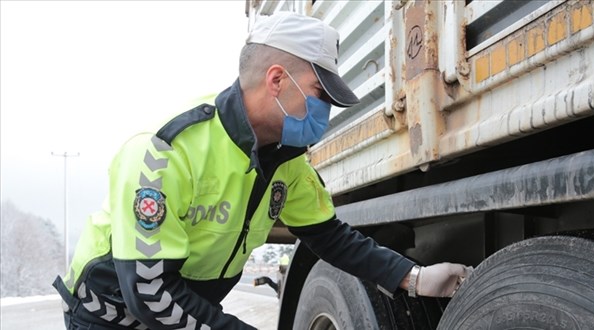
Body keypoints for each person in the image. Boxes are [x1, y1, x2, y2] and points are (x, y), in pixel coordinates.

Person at [53, 12, 470, 329]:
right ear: (276, 79)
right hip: (108, 310)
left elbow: (332, 238)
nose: (325, 112)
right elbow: (148, 291)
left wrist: (413, 278)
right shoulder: (166, 152)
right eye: (319, 94)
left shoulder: (287, 162)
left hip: (182, 310)